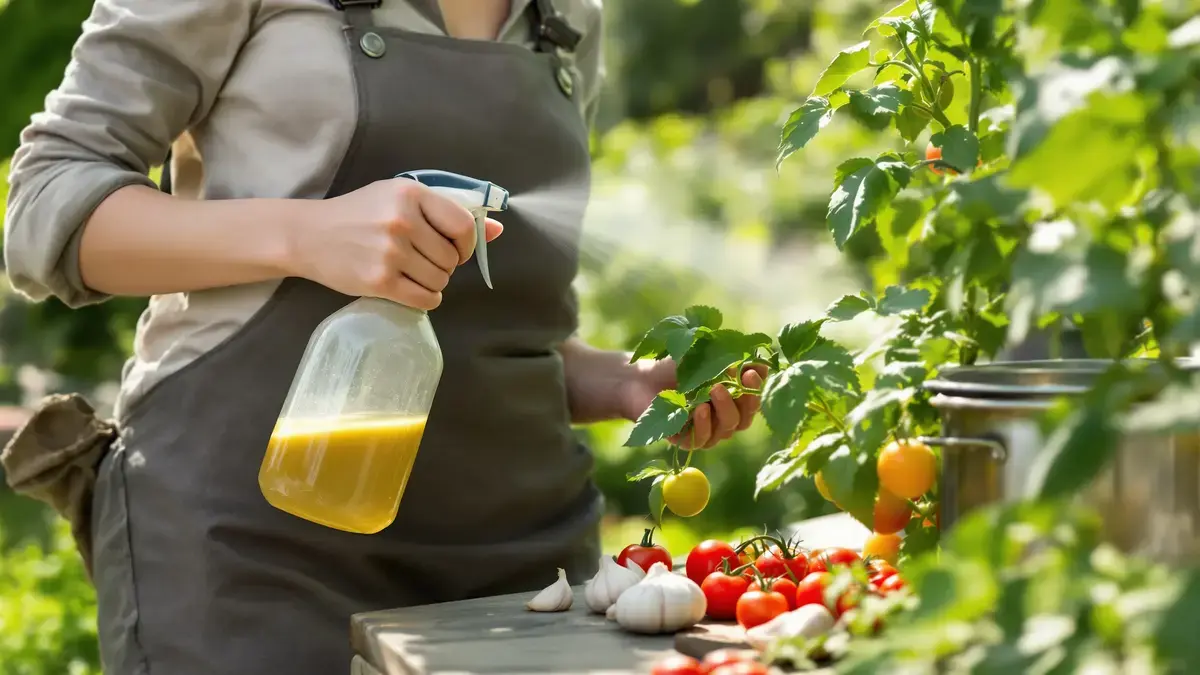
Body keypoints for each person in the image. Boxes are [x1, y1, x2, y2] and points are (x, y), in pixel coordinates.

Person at [1, 1, 766, 673]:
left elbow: (488, 326)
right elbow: (43, 207)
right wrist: (306, 234)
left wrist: (622, 382)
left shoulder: (569, 15)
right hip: (254, 559)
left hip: (524, 579)